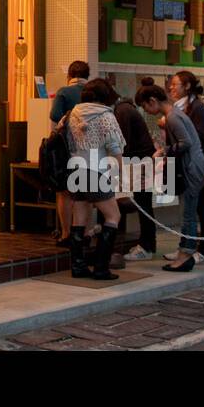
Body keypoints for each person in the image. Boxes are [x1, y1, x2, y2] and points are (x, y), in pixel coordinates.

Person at [136, 84, 204, 272]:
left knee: (188, 215)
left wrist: (163, 152)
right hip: (195, 166)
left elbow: (186, 143)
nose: (147, 111)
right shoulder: (176, 113)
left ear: (152, 101)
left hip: (192, 168)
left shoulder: (173, 117)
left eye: (145, 107)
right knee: (188, 214)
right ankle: (185, 253)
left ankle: (185, 255)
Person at [65, 78, 126, 280]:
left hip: (75, 170)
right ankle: (101, 267)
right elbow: (114, 147)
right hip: (95, 171)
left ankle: (78, 267)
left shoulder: (72, 114)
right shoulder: (105, 115)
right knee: (113, 216)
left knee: (79, 219)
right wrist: (121, 170)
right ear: (103, 96)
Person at [168, 70, 204, 263]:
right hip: (188, 165)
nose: (171, 88)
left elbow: (200, 136)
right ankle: (185, 246)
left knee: (203, 207)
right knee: (189, 209)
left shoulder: (196, 107)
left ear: (186, 86)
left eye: (175, 84)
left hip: (199, 165)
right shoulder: (181, 107)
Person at [113, 86, 158, 260]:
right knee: (144, 203)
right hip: (141, 161)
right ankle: (147, 244)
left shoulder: (122, 111)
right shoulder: (126, 108)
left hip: (139, 163)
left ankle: (147, 247)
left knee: (143, 204)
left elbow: (123, 143)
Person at [48, 60, 89, 244]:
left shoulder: (64, 92)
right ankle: (83, 232)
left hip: (68, 148)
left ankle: (65, 234)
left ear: (69, 76)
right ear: (87, 76)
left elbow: (55, 116)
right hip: (89, 150)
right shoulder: (92, 92)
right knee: (84, 191)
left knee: (64, 192)